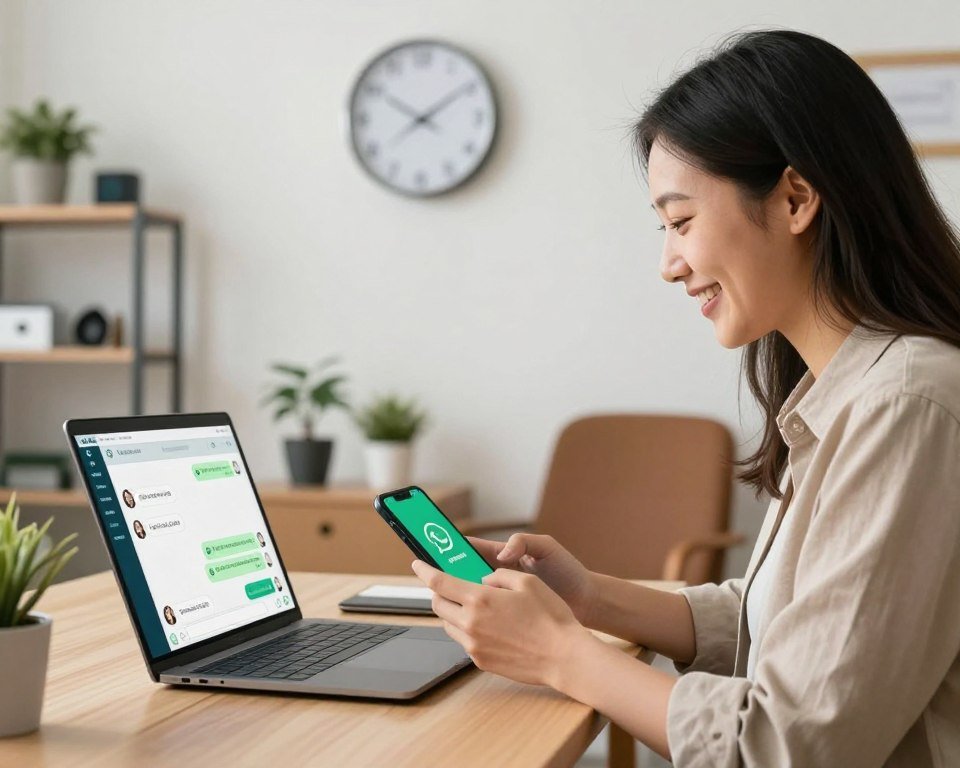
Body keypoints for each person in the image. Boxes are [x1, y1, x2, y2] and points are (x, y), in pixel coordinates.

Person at [412, 29, 960, 767]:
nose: (669, 264)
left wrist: (560, 654)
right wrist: (585, 597)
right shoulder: (849, 391)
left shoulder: (905, 403)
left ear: (796, 198)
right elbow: (775, 623)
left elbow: (792, 741)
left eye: (681, 221)